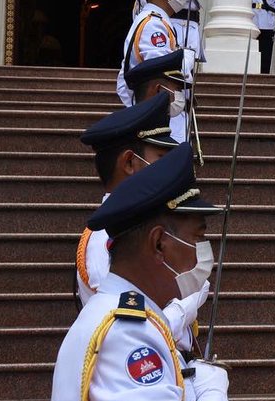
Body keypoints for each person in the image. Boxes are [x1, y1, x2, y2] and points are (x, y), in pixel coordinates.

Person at [50, 142, 240, 401]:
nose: (203, 253)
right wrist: (214, 390)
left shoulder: (134, 321)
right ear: (159, 244)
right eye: (198, 238)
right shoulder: (124, 335)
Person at [75, 94, 205, 351]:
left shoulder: (132, 227)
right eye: (160, 158)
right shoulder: (108, 237)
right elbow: (127, 330)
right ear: (130, 163)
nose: (167, 170)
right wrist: (186, 306)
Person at [117, 0, 194, 142]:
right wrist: (186, 61)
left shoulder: (158, 21)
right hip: (158, 118)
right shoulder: (153, 25)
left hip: (160, 116)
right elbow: (161, 75)